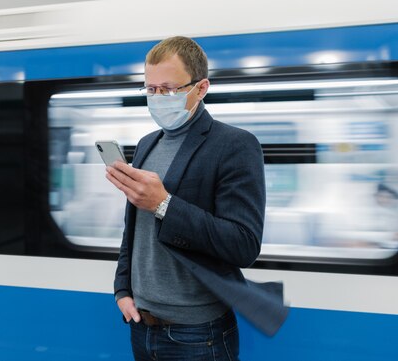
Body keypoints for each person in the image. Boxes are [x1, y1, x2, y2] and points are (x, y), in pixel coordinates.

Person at [106, 36, 288, 361]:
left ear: (201, 88)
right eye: (151, 90)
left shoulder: (235, 145)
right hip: (141, 325)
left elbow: (243, 244)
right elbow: (132, 230)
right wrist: (122, 290)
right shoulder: (147, 144)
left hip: (198, 334)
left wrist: (164, 204)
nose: (159, 98)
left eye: (170, 89)